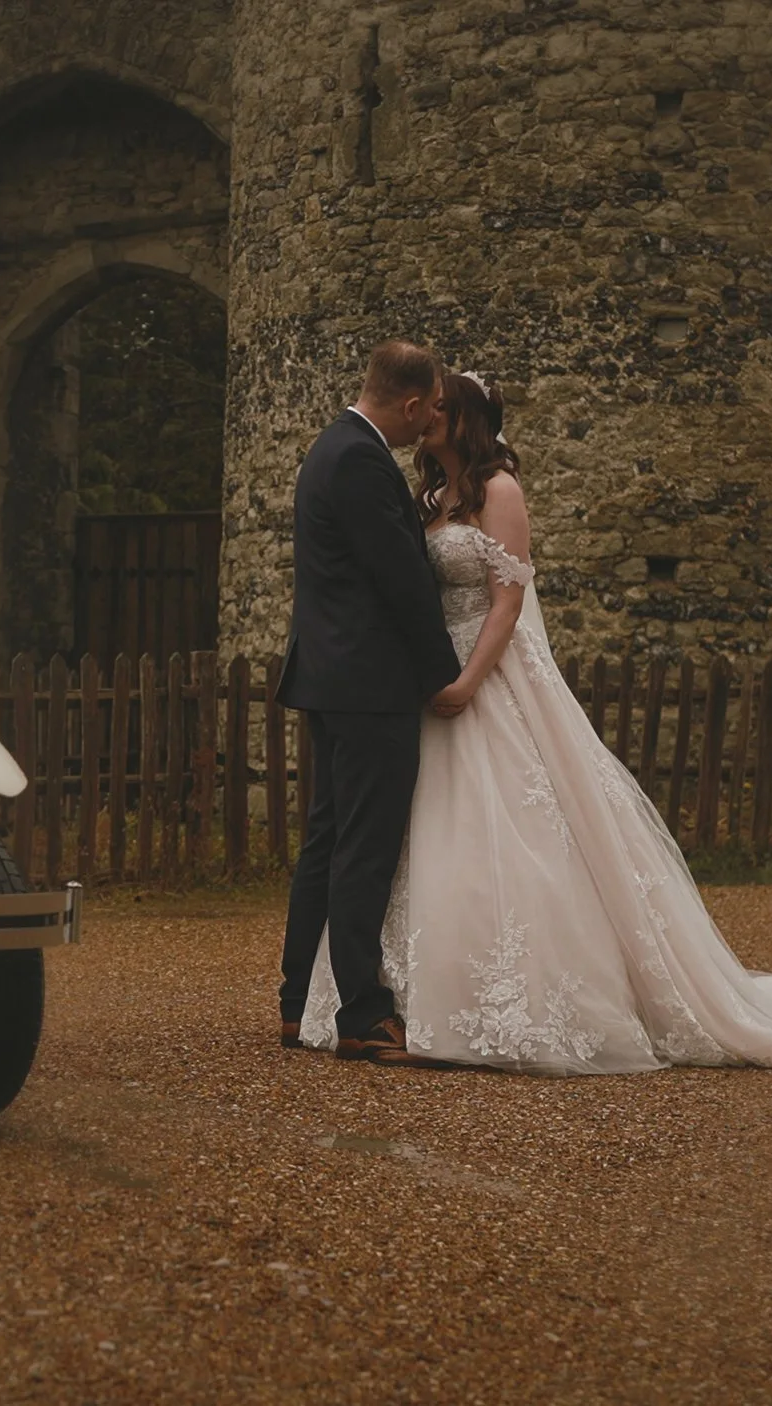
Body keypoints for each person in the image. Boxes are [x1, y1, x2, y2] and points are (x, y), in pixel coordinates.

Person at [298, 372, 772, 1073]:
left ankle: (516, 1000)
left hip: (486, 673)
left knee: (515, 823)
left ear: (468, 420)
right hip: (432, 680)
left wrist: (466, 681)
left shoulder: (500, 491)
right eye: (426, 408)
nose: (426, 419)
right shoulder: (432, 496)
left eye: (441, 409)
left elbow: (508, 604)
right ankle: (407, 994)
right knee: (426, 827)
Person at [277, 340, 465, 1062]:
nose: (430, 424)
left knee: (328, 840)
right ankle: (360, 1011)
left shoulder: (331, 446)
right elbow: (401, 579)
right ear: (411, 404)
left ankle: (298, 1000)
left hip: (333, 677)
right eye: (429, 410)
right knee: (365, 844)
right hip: (368, 683)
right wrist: (442, 674)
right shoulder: (360, 458)